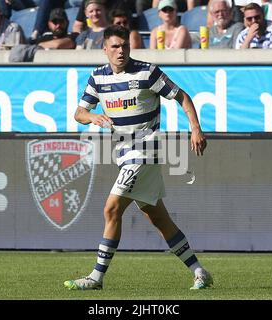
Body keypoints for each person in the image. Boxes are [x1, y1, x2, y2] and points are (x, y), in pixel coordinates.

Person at [64, 24, 212, 291]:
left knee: (111, 209)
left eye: (125, 46)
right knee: (158, 218)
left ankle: (96, 278)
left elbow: (182, 96)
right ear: (105, 49)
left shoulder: (147, 72)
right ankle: (199, 271)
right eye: (115, 47)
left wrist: (196, 129)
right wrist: (93, 117)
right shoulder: (97, 78)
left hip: (146, 151)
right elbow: (79, 113)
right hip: (124, 154)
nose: (121, 51)